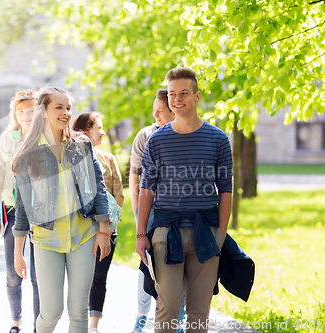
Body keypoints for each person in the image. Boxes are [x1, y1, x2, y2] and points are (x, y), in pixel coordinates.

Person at [135, 68, 233, 333]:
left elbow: (226, 190)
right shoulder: (156, 140)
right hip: (166, 233)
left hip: (207, 233)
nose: (176, 100)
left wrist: (221, 234)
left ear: (197, 96)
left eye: (183, 94)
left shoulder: (218, 139)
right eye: (172, 94)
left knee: (199, 312)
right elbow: (147, 189)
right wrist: (141, 233)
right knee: (167, 307)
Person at [12, 86, 112, 333]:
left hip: (84, 235)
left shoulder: (82, 145)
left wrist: (104, 231)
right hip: (46, 239)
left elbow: (98, 187)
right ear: (43, 111)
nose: (66, 113)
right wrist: (18, 251)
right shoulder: (29, 153)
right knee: (51, 312)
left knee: (79, 312)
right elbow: (23, 205)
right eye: (59, 107)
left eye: (68, 107)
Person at [129, 89, 180, 332]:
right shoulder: (146, 135)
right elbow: (134, 175)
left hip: (177, 213)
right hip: (149, 212)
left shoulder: (186, 134)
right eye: (154, 111)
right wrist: (138, 211)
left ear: (174, 110)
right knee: (147, 265)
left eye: (160, 111)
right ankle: (141, 317)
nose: (156, 115)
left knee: (177, 265)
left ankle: (177, 320)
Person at [0, 90, 40, 333]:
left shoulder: (46, 136)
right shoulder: (8, 138)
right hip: (11, 210)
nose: (26, 116)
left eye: (30, 110)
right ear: (14, 114)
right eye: (20, 112)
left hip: (41, 213)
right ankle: (16, 320)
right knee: (12, 273)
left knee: (40, 275)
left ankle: (41, 325)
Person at [72, 112, 124, 333]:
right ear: (85, 131)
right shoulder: (71, 158)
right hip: (82, 231)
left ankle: (93, 326)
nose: (103, 132)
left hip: (107, 229)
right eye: (99, 128)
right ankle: (78, 322)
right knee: (81, 279)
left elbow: (118, 195)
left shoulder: (108, 159)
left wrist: (109, 226)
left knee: (100, 278)